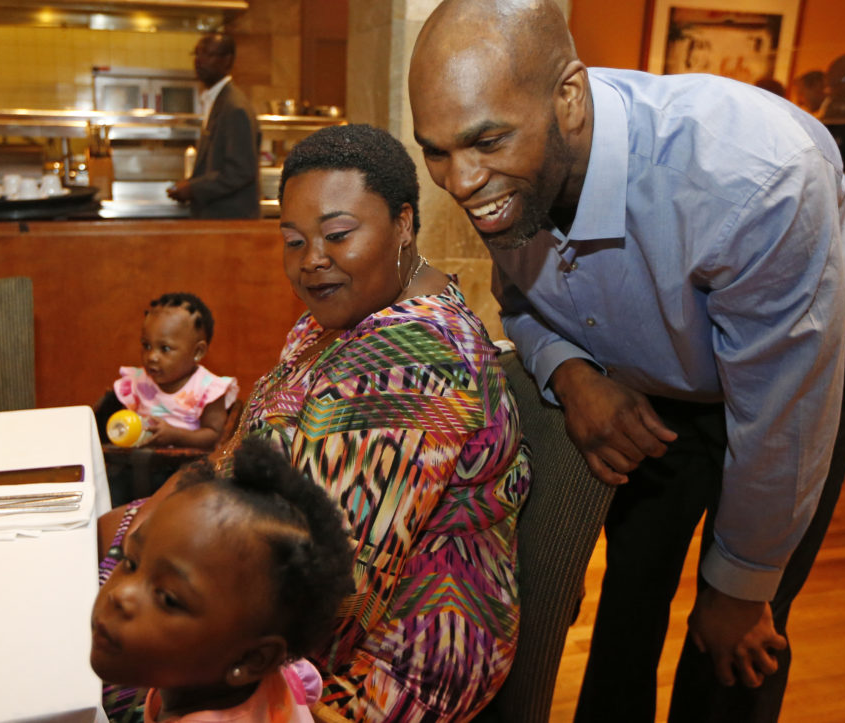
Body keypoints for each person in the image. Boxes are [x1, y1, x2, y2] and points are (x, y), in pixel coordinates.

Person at [407, 2, 845, 722]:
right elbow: (523, 300)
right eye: (437, 150)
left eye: (485, 142)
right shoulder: (508, 163)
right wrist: (573, 374)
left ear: (568, 99)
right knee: (632, 591)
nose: (460, 179)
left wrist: (739, 588)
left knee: (734, 630)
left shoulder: (756, 177)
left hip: (793, 378)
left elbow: (781, 415)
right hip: (653, 376)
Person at [99, 123, 532, 722]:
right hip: (265, 587)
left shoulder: (412, 361)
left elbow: (331, 589)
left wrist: (138, 553)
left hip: (372, 665)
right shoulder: (340, 315)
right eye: (294, 241)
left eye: (337, 234)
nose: (313, 262)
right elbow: (244, 449)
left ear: (404, 223)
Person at [92, 438, 356, 723]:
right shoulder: (226, 678)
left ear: (251, 660)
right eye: (131, 563)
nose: (120, 594)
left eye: (168, 599)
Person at [97, 292, 239, 450]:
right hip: (141, 461)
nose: (152, 356)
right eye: (146, 345)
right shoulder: (137, 381)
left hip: (186, 464)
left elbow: (214, 436)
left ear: (198, 351)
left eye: (165, 348)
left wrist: (175, 435)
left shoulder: (207, 389)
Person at [167, 33, 261, 219]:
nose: (199, 61)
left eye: (207, 54)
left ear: (228, 61)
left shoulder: (235, 107)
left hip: (230, 221)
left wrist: (193, 188)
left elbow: (240, 171)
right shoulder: (217, 100)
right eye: (196, 54)